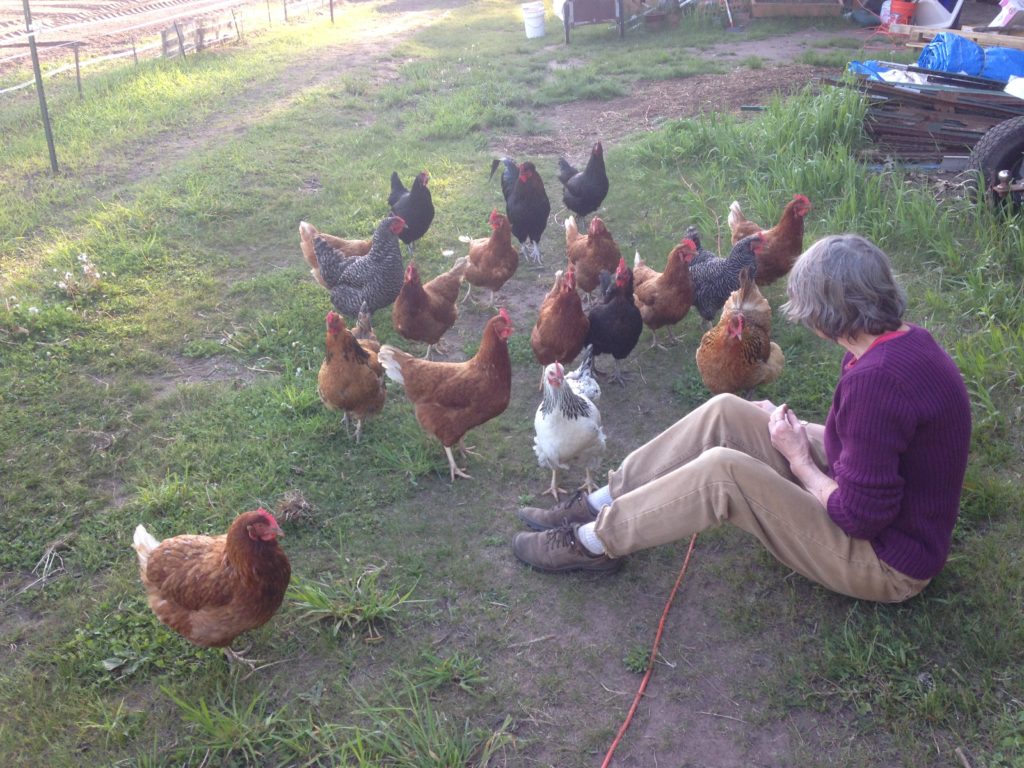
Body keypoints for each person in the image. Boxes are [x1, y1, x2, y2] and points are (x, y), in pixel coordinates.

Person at [511, 234, 972, 602]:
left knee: (723, 475)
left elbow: (861, 516)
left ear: (828, 314)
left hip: (888, 563)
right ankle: (600, 500)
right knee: (727, 410)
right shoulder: (898, 345)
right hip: (883, 514)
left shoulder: (877, 381)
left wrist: (801, 460)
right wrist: (795, 432)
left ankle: (592, 543)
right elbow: (870, 449)